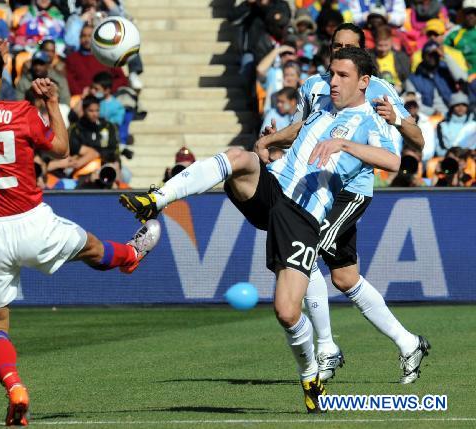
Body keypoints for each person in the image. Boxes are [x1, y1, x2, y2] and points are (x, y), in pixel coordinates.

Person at [120, 47, 401, 413]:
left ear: (364, 81)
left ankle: (310, 375)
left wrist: (345, 144)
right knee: (240, 158)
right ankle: (157, 198)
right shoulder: (322, 108)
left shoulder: (371, 120)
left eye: (343, 76)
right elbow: (300, 138)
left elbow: (393, 160)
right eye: (332, 73)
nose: (333, 81)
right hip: (274, 189)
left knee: (286, 312)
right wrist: (271, 145)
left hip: (303, 217)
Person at [0, 43, 160, 426]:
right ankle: (129, 257)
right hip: (31, 222)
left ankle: (15, 388)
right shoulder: (22, 112)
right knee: (91, 247)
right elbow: (61, 146)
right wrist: (53, 101)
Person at [257, 22, 429, 385]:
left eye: (349, 46)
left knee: (306, 249)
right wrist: (275, 143)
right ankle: (408, 342)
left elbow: (416, 138)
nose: (341, 51)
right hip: (316, 187)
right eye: (337, 45)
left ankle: (326, 347)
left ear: (363, 56)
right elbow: (306, 129)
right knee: (344, 276)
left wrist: (397, 119)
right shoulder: (315, 85)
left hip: (351, 188)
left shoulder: (378, 88)